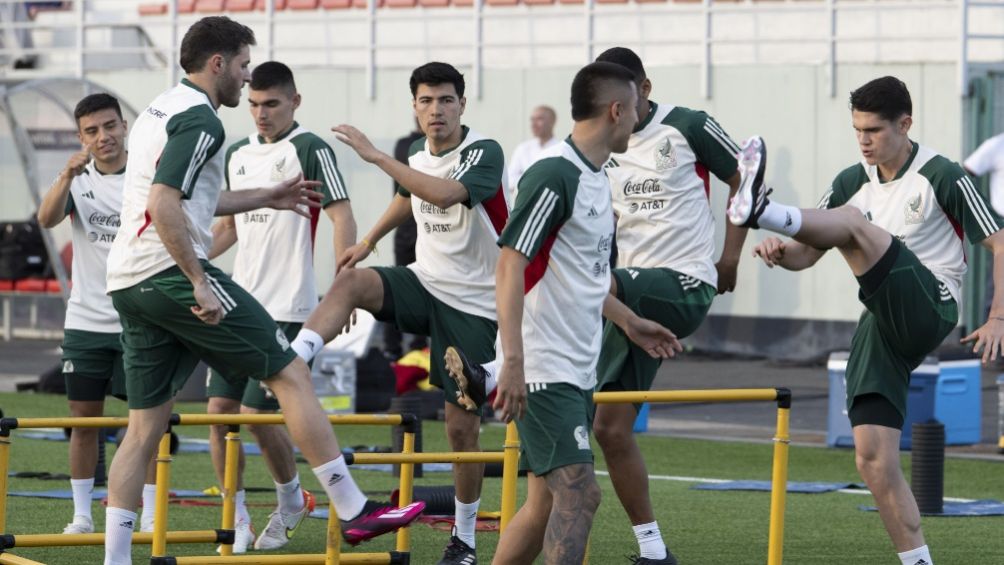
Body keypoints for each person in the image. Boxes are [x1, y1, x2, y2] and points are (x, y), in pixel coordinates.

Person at [101, 16, 422, 565]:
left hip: (128, 280)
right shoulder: (204, 120)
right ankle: (352, 509)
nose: (248, 84)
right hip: (170, 274)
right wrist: (199, 281)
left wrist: (265, 196)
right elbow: (163, 203)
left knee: (145, 427)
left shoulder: (159, 108)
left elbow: (186, 199)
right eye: (244, 67)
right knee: (290, 372)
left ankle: (114, 559)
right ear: (219, 63)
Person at [731, 76, 1004, 565]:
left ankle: (763, 210)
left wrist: (998, 316)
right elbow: (806, 256)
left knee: (857, 224)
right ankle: (918, 560)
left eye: (874, 130)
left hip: (933, 303)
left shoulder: (942, 173)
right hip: (881, 319)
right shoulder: (850, 180)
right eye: (857, 129)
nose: (864, 140)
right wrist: (780, 253)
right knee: (872, 458)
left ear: (906, 124)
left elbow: (1000, 244)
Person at [289, 61, 507, 565]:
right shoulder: (415, 153)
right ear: (415, 106)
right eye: (427, 101)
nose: (437, 110)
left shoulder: (482, 151)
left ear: (462, 105)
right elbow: (409, 195)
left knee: (460, 427)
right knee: (351, 280)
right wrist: (366, 240)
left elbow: (446, 192)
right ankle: (295, 358)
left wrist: (375, 157)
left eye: (446, 100)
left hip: (475, 303)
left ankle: (466, 537)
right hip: (424, 281)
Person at [489, 61, 682, 565]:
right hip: (543, 368)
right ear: (617, 111)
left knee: (543, 504)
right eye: (636, 108)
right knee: (579, 493)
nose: (640, 117)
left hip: (574, 370)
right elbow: (510, 265)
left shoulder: (596, 178)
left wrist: (628, 320)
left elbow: (581, 276)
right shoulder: (555, 174)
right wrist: (513, 361)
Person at [589, 46, 750, 565]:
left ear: (645, 90)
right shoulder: (600, 148)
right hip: (625, 294)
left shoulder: (687, 125)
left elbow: (746, 176)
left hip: (684, 284)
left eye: (625, 98)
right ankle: (653, 550)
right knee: (609, 429)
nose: (616, 109)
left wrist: (729, 257)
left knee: (583, 282)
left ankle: (499, 370)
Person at [203, 60, 357, 553]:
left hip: (290, 305)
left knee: (254, 412)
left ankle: (292, 499)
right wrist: (179, 259)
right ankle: (237, 515)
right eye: (253, 104)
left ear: (295, 101)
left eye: (271, 103)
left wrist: (343, 286)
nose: (260, 113)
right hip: (237, 302)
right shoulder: (236, 153)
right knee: (219, 412)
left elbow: (341, 216)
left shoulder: (310, 148)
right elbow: (229, 229)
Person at [36, 93, 158, 536]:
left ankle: (147, 515)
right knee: (82, 421)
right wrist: (67, 173)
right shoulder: (77, 178)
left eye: (110, 126)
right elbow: (46, 218)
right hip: (86, 321)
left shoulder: (148, 176)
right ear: (80, 137)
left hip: (138, 318)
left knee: (145, 425)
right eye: (92, 131)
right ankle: (82, 515)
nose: (103, 137)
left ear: (124, 126)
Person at [383, 117, 427, 358]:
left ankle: (412, 344)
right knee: (405, 288)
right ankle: (397, 346)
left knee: (418, 288)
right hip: (411, 229)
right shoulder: (408, 146)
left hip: (418, 231)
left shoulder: (407, 145)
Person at [963, 131, 1004, 319]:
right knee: (999, 286)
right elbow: (966, 172)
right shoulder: (997, 144)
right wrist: (981, 211)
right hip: (1003, 226)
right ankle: (991, 343)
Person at [507, 105, 559, 189]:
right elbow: (509, 179)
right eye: (532, 120)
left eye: (539, 119)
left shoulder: (561, 150)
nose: (533, 124)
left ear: (552, 121)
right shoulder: (523, 149)